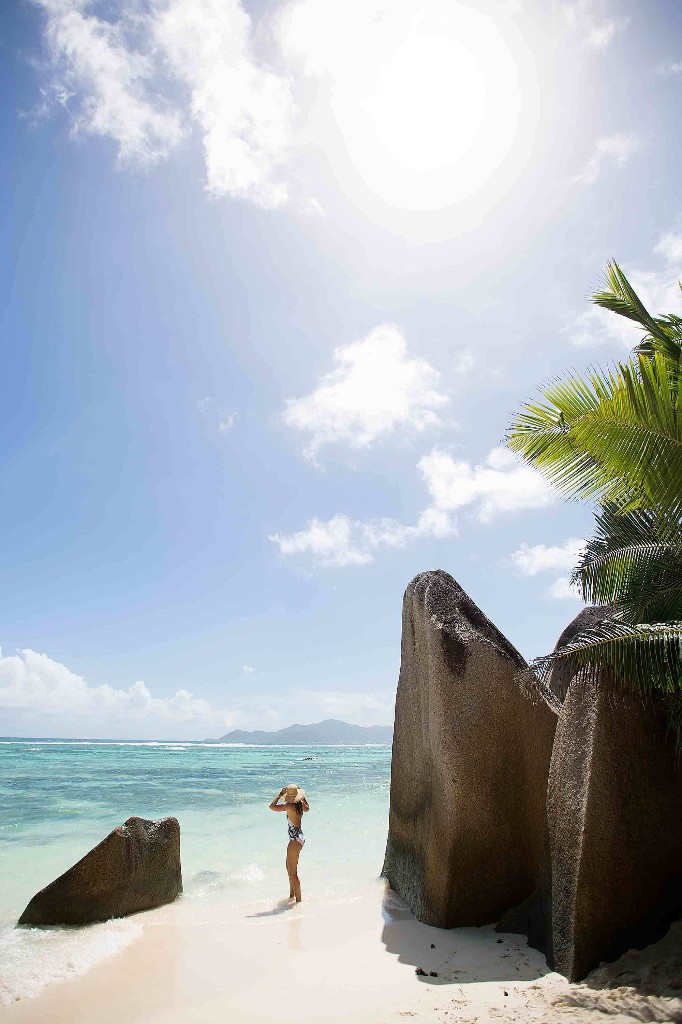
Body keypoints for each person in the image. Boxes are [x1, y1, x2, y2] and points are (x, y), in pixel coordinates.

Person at [269, 784, 309, 903]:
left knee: (292, 873)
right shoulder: (300, 805)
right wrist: (302, 797)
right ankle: (292, 896)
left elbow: (272, 806)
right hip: (299, 837)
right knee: (289, 868)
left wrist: (279, 794)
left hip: (295, 840)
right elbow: (308, 808)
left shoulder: (289, 806)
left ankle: (299, 902)